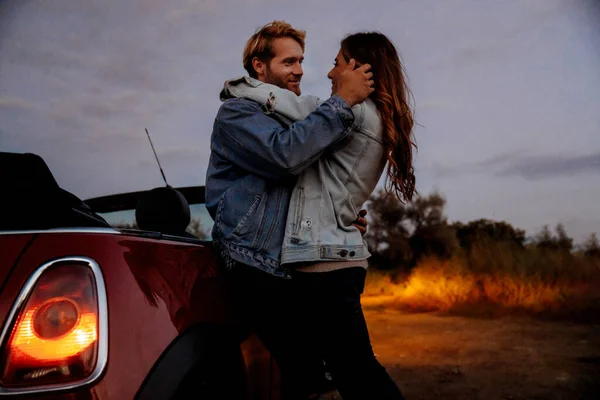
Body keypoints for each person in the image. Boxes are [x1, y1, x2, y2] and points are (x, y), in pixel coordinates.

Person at [221, 30, 415, 400]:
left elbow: (294, 134)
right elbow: (319, 172)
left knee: (355, 372)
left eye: (337, 63)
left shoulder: (351, 111)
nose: (327, 73)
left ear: (359, 69)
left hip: (324, 263)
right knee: (333, 371)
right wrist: (345, 212)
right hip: (330, 257)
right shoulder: (369, 115)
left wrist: (237, 86)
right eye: (289, 61)